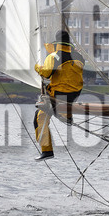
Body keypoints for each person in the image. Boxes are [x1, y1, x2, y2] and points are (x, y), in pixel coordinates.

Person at [33, 30, 84, 160]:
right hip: (75, 94)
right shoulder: (80, 56)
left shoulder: (54, 56)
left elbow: (46, 73)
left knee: (39, 118)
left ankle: (47, 151)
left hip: (58, 95)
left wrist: (37, 67)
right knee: (62, 102)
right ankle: (66, 115)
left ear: (57, 43)